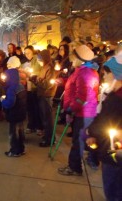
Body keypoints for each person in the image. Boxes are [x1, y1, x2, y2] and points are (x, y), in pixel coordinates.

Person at [58, 45, 99, 176]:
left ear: (81, 59)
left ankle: (75, 167)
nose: (71, 58)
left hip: (83, 113)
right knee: (80, 140)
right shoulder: (81, 71)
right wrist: (64, 81)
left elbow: (82, 97)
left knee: (78, 141)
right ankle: (86, 161)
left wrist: (70, 109)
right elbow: (75, 85)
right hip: (82, 112)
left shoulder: (85, 74)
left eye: (73, 56)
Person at [86, 52, 122, 201]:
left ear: (116, 75)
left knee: (113, 190)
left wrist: (91, 131)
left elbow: (105, 120)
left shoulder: (116, 98)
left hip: (113, 153)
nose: (104, 78)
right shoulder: (113, 95)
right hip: (113, 149)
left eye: (106, 74)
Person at [29, 49, 57, 147]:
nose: (39, 61)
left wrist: (36, 80)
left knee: (47, 118)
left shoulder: (50, 68)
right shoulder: (44, 67)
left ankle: (50, 139)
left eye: (40, 59)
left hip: (47, 95)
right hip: (42, 94)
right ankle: (47, 136)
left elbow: (47, 84)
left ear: (45, 59)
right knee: (44, 118)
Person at [1, 56, 27, 157]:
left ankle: (14, 151)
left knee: (13, 133)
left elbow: (10, 103)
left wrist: (3, 100)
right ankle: (21, 149)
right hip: (20, 114)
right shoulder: (20, 86)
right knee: (20, 132)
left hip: (14, 115)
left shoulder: (11, 89)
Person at [20, 45, 42, 135]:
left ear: (33, 52)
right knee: (29, 108)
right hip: (27, 88)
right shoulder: (24, 62)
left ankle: (39, 127)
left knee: (37, 108)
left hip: (35, 87)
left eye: (28, 52)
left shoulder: (37, 60)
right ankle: (31, 125)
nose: (27, 54)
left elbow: (40, 71)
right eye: (25, 53)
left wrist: (30, 74)